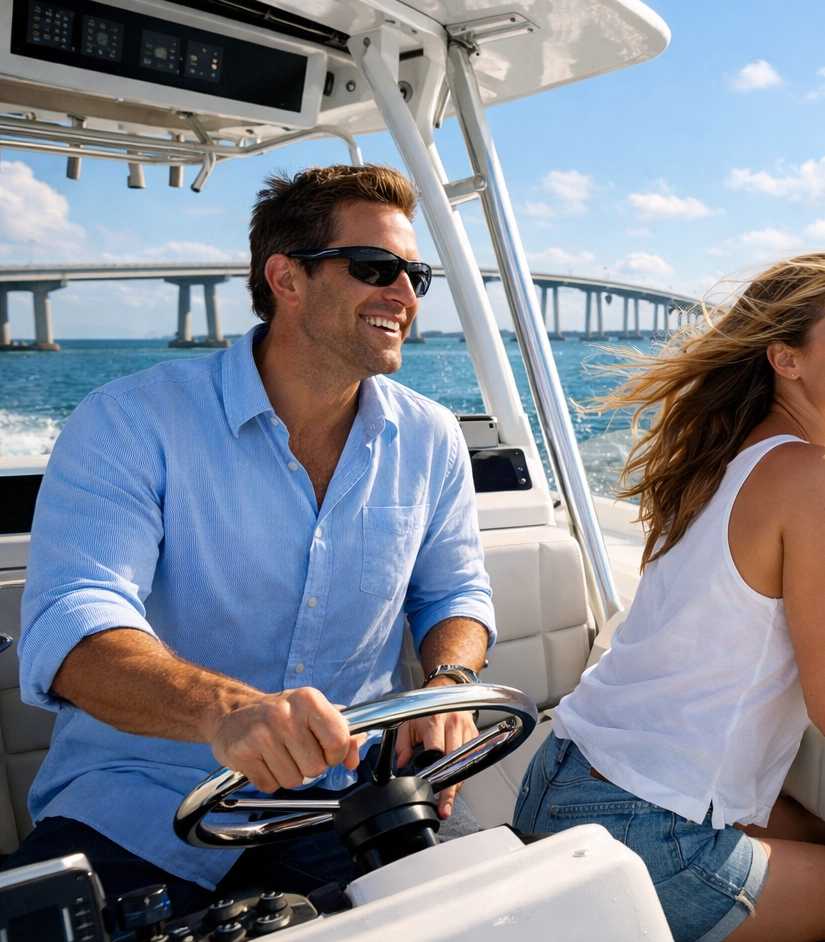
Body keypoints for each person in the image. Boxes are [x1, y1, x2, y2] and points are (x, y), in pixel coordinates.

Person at [5, 164, 496, 913]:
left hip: (349, 801)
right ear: (286, 277)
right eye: (376, 267)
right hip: (141, 804)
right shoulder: (130, 422)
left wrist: (449, 683)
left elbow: (454, 593)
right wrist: (224, 712)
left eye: (414, 274)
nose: (404, 293)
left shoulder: (431, 437)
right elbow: (71, 625)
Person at [514, 253, 825, 942]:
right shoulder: (819, 475)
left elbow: (740, 611)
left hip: (561, 777)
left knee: (821, 843)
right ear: (786, 359)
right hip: (639, 826)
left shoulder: (719, 456)